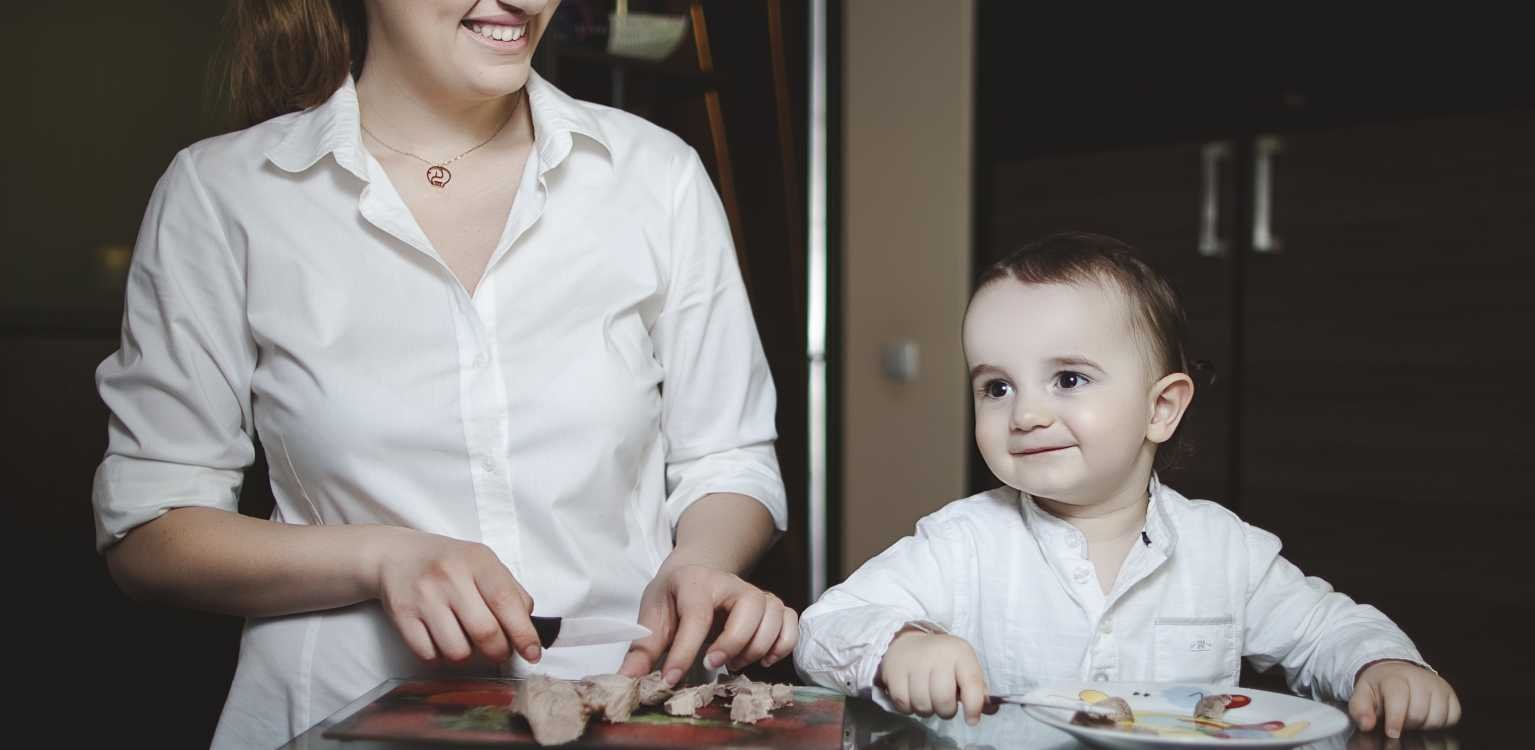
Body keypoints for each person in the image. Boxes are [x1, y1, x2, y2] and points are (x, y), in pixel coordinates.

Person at [92, 1, 796, 746]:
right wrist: (381, 557)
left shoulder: (654, 174)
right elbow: (152, 532)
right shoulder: (223, 190)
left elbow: (728, 456)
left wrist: (700, 563)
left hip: (621, 711)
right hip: (334, 717)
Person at [794, 232, 1459, 739]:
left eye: (1068, 379)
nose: (1025, 414)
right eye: (996, 387)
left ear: (1160, 409)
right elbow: (823, 629)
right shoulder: (962, 544)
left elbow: (1324, 630)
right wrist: (900, 646)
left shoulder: (1224, 550)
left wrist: (1383, 667)